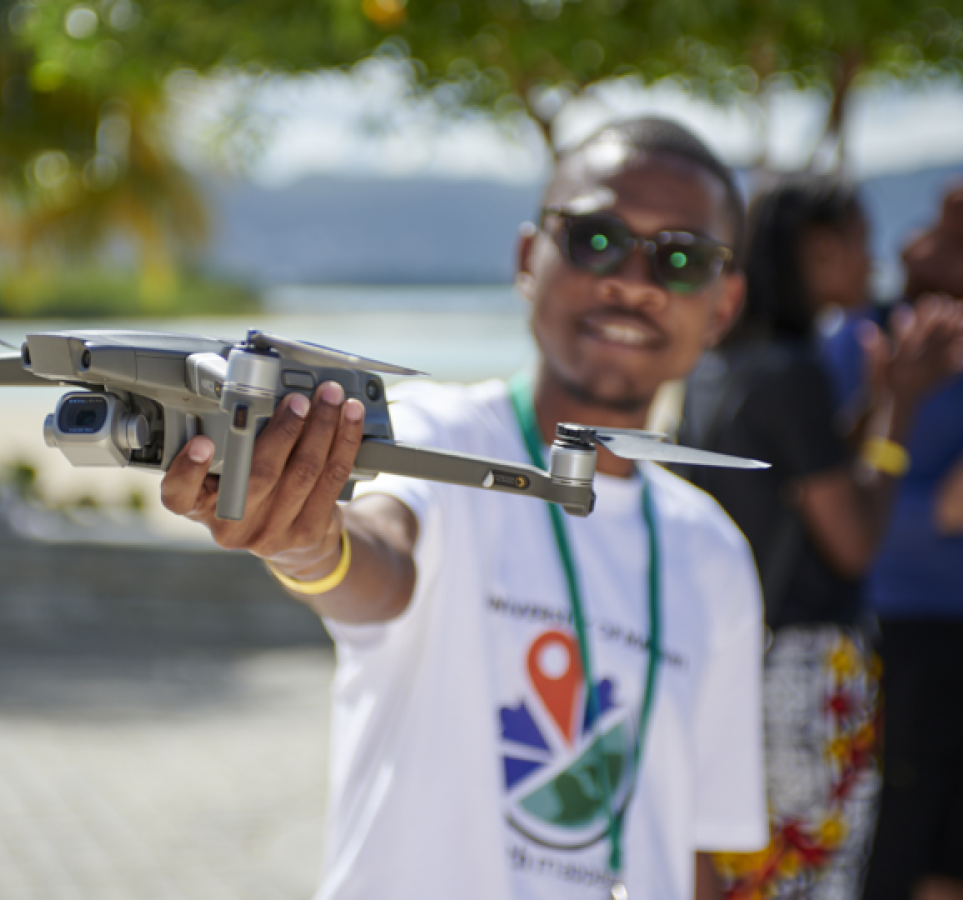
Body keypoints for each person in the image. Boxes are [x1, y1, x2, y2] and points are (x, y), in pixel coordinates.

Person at [162, 117, 767, 900]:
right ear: (527, 259)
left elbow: (702, 848)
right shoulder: (439, 438)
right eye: (596, 239)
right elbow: (378, 551)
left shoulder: (712, 551)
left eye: (682, 258)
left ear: (723, 305)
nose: (634, 280)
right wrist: (306, 545)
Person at [678, 177, 963, 900]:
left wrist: (879, 397)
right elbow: (852, 542)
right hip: (803, 674)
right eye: (861, 242)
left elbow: (798, 481)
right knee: (809, 883)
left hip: (731, 654)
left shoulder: (718, 367)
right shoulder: (795, 372)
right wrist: (902, 407)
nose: (876, 260)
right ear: (819, 250)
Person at [821, 183, 963, 900]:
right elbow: (943, 508)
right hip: (891, 623)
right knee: (892, 833)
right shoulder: (865, 340)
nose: (915, 244)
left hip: (937, 626)